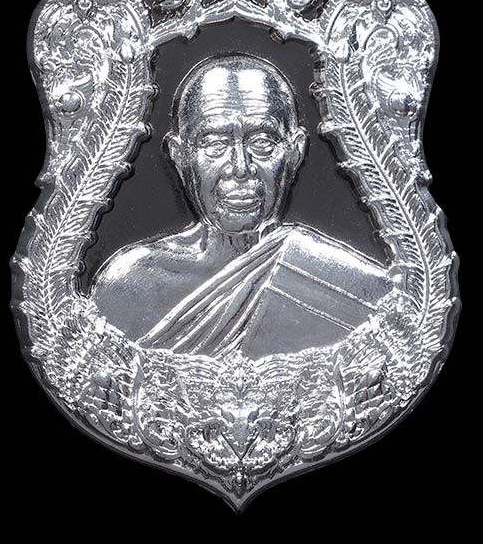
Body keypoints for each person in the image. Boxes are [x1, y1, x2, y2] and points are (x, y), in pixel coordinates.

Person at [91, 54, 391, 359]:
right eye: (214, 143)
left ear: (295, 151)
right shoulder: (128, 287)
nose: (240, 167)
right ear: (180, 156)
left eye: (262, 142)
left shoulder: (351, 287)